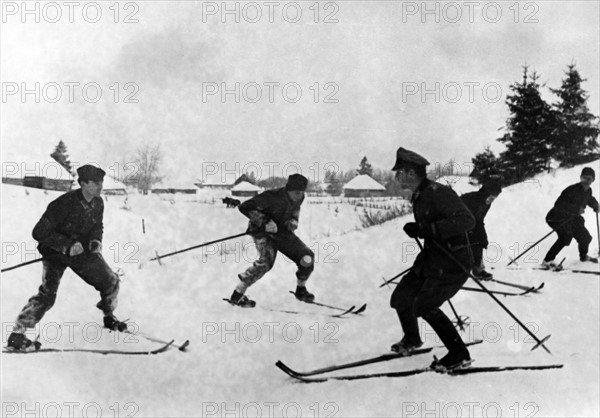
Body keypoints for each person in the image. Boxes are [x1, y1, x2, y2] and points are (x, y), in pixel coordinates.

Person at [7, 164, 125, 352]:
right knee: (47, 295)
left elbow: (97, 226)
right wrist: (66, 245)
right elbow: (38, 232)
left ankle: (109, 316)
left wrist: (95, 240)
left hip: (81, 253)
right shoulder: (63, 204)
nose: (100, 186)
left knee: (111, 281)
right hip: (56, 252)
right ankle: (17, 334)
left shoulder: (98, 203)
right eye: (95, 182)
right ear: (83, 183)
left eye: (101, 182)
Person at [389, 147, 476, 371]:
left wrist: (428, 228)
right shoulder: (421, 194)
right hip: (433, 259)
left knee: (425, 305)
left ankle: (459, 354)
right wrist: (420, 229)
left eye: (399, 172)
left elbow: (467, 221)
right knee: (402, 297)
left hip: (453, 261)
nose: (397, 177)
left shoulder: (440, 193)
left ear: (410, 173)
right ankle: (412, 339)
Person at [229, 173, 315, 307]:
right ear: (288, 190)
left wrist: (293, 221)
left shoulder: (300, 197)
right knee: (265, 263)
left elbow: (295, 210)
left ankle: (301, 289)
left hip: (282, 232)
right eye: (296, 193)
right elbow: (244, 207)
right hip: (261, 231)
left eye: (301, 193)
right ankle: (238, 294)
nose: (299, 196)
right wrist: (265, 221)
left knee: (307, 257)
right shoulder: (271, 196)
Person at [542, 167, 599, 268]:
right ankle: (547, 261)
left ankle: (583, 256)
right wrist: (576, 209)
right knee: (565, 237)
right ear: (580, 178)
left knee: (585, 237)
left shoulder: (588, 191)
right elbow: (558, 204)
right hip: (556, 217)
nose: (586, 181)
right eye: (584, 178)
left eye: (589, 179)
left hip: (571, 218)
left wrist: (595, 205)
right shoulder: (572, 190)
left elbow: (589, 199)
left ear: (593, 180)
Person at [460, 180, 503, 280]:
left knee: (479, 241)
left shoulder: (486, 203)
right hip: (457, 223)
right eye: (491, 197)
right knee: (465, 243)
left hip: (471, 224)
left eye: (494, 198)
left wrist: (483, 236)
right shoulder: (470, 198)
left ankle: (478, 270)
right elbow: (461, 216)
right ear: (486, 193)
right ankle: (456, 269)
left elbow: (479, 219)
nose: (491, 201)